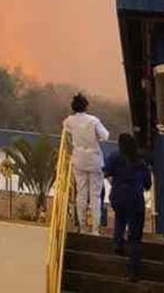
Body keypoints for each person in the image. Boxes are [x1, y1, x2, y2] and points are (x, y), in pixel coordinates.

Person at [105, 133, 152, 282]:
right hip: (135, 200)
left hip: (118, 196)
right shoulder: (141, 160)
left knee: (120, 218)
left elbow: (107, 171)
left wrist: (115, 181)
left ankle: (118, 243)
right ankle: (134, 273)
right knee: (135, 237)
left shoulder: (115, 156)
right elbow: (147, 185)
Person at [63, 93, 109, 234]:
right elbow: (105, 136)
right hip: (94, 160)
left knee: (81, 194)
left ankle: (82, 227)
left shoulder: (69, 121)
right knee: (95, 196)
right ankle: (95, 229)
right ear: (86, 106)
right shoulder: (93, 120)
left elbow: (67, 132)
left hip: (79, 160)